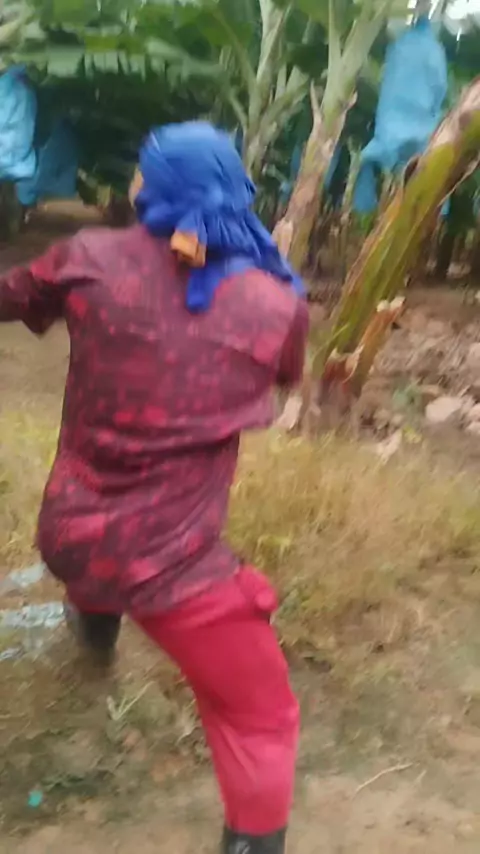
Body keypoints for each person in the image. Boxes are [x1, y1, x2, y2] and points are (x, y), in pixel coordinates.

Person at [0, 122, 308, 853]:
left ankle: (93, 637)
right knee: (261, 717)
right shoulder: (274, 304)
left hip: (71, 534)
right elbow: (287, 372)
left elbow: (13, 294)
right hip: (178, 571)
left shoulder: (89, 258)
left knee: (103, 563)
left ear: (151, 186)